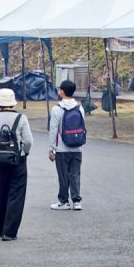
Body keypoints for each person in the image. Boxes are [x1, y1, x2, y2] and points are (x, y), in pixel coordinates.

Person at [0, 88, 33, 241]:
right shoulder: (22, 118)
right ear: (12, 103)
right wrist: (25, 152)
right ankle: (9, 232)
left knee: (0, 194)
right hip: (17, 162)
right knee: (16, 195)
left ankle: (0, 228)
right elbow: (28, 141)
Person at [48, 80, 85, 211]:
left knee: (63, 175)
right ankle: (76, 201)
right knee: (75, 174)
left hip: (62, 148)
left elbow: (53, 130)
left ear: (62, 91)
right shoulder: (80, 107)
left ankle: (63, 201)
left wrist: (51, 148)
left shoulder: (56, 109)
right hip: (77, 147)